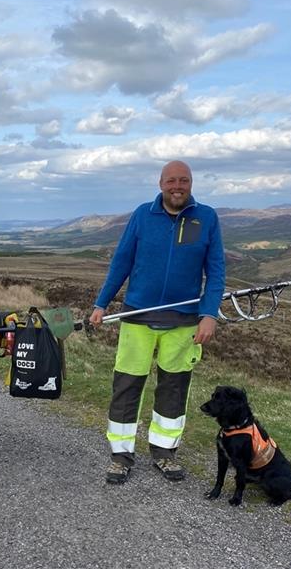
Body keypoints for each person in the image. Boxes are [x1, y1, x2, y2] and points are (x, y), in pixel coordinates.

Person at [89, 160, 225, 485]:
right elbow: (122, 261)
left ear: (191, 183)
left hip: (184, 321)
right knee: (127, 385)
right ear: (161, 183)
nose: (178, 186)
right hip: (137, 316)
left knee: (174, 387)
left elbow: (216, 270)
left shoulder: (206, 218)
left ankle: (165, 451)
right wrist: (101, 303)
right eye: (171, 180)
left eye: (184, 180)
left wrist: (209, 314)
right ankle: (120, 455)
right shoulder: (142, 215)